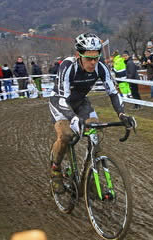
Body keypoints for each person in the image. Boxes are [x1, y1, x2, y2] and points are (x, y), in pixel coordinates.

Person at [48, 33, 136, 193]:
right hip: (61, 103)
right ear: (78, 55)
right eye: (89, 58)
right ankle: (55, 169)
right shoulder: (68, 66)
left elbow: (113, 92)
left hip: (81, 102)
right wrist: (73, 119)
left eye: (96, 58)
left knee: (95, 132)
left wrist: (122, 115)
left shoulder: (101, 67)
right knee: (67, 135)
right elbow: (63, 98)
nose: (93, 62)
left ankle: (89, 174)